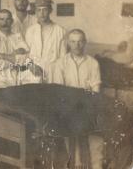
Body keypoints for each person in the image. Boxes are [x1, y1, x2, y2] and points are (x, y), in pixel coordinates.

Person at [49, 29, 102, 169]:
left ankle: (84, 162)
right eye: (73, 41)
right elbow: (59, 90)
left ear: (84, 43)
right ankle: (74, 161)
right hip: (66, 106)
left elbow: (95, 90)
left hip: (86, 106)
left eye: (80, 41)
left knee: (90, 136)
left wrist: (87, 106)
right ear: (68, 43)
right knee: (70, 127)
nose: (76, 45)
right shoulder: (60, 63)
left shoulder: (93, 63)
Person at [0, 9, 42, 88]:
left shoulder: (17, 36)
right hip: (0, 78)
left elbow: (26, 56)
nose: (5, 23)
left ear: (12, 21)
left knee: (37, 76)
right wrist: (13, 63)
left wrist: (3, 56)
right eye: (2, 19)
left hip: (17, 75)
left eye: (8, 19)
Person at [25, 0, 66, 81]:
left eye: (45, 10)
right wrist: (31, 65)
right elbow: (25, 55)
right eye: (39, 10)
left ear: (50, 10)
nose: (42, 13)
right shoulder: (30, 31)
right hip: (33, 74)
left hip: (53, 74)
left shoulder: (60, 31)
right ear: (35, 12)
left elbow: (63, 58)